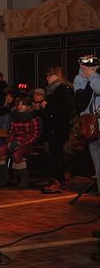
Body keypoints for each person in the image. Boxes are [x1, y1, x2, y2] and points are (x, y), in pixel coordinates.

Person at [41, 66, 75, 193]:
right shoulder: (55, 89)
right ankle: (56, 179)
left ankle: (58, 181)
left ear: (55, 76)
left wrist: (48, 106)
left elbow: (66, 108)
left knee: (57, 154)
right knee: (54, 154)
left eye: (49, 76)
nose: (47, 78)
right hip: (54, 127)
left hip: (60, 127)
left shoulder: (63, 88)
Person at [0, 95, 41, 187]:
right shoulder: (14, 117)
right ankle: (5, 176)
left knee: (16, 155)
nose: (20, 106)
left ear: (28, 106)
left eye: (23, 104)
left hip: (28, 144)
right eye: (18, 104)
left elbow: (35, 135)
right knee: (0, 151)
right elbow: (11, 131)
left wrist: (22, 143)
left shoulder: (33, 118)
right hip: (14, 142)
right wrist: (9, 142)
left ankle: (24, 178)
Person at [73, 60, 100, 197]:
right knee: (98, 168)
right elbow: (81, 103)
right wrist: (85, 76)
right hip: (92, 131)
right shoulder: (81, 79)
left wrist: (93, 76)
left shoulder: (95, 78)